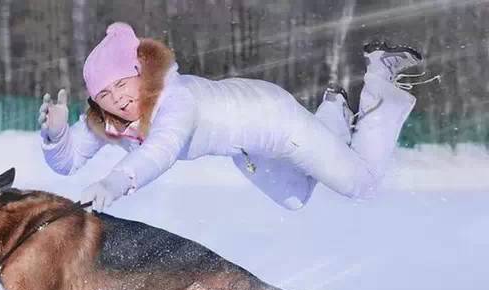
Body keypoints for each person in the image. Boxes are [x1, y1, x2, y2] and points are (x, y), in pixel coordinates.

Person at [38, 22, 437, 212]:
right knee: (295, 198)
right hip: (245, 148)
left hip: (276, 121)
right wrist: (56, 137)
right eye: (105, 95)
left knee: (361, 185)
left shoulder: (177, 100)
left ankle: (381, 78)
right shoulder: (109, 120)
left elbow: (161, 150)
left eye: (121, 84)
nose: (117, 99)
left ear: (140, 72)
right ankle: (334, 108)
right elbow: (68, 162)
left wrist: (114, 182)